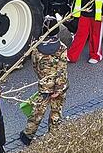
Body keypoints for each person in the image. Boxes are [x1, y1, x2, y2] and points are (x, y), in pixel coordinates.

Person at [20, 16, 68, 146]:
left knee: (37, 111)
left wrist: (43, 79)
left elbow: (35, 66)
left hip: (44, 85)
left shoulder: (36, 47)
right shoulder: (61, 47)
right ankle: (54, 136)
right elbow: (62, 70)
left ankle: (27, 135)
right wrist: (58, 89)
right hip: (59, 87)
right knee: (56, 112)